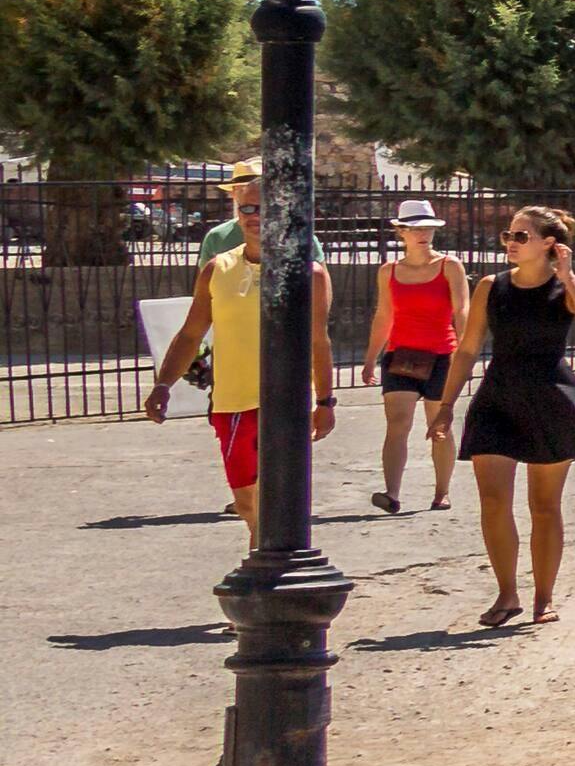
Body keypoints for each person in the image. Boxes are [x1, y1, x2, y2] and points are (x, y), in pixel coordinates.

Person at [141, 159, 336, 533]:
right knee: (246, 500)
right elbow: (190, 334)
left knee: (279, 495)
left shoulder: (307, 273)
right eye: (247, 208)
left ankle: (271, 570)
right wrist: (163, 384)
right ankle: (260, 553)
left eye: (265, 209)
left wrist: (326, 401)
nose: (255, 216)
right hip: (230, 402)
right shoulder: (216, 267)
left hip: (286, 403)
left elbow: (318, 340)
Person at [451, 204, 575, 627]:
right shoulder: (490, 286)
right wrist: (446, 406)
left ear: (548, 245)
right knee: (493, 501)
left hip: (550, 399)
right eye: (508, 235)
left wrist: (569, 277)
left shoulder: (568, 288)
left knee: (543, 505)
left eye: (521, 236)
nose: (510, 242)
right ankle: (506, 594)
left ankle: (544, 598)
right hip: (497, 398)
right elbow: (467, 347)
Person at [366, 199, 462, 516]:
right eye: (415, 229)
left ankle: (442, 492)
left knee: (439, 426)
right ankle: (392, 493)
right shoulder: (389, 271)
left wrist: (465, 352)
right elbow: (384, 315)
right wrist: (369, 359)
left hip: (441, 353)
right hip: (401, 354)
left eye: (428, 228)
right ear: (402, 232)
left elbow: (463, 310)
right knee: (398, 423)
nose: (423, 234)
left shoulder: (449, 266)